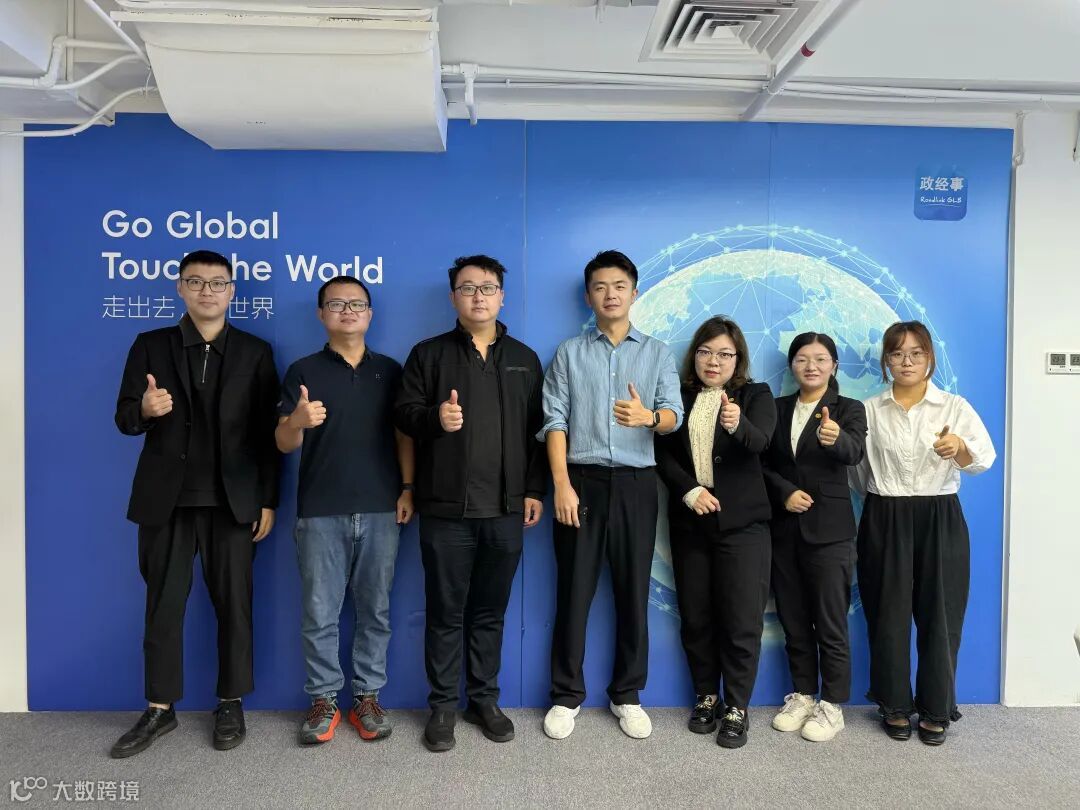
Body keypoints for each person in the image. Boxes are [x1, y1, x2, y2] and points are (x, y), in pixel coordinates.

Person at [110, 250, 280, 758]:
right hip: (166, 500)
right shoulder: (150, 345)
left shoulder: (255, 351)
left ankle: (231, 702)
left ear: (232, 291)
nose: (207, 291)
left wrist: (267, 499)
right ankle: (159, 708)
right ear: (180, 288)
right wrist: (144, 409)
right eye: (196, 282)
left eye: (217, 282)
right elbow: (123, 418)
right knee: (162, 606)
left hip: (234, 501)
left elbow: (268, 435)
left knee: (235, 605)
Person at [395, 255, 547, 753]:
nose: (478, 296)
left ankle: (483, 699)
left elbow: (540, 431)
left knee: (489, 612)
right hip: (445, 510)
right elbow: (403, 414)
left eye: (487, 288)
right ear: (453, 297)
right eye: (467, 288)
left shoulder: (524, 358)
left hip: (505, 510)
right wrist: (435, 418)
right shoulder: (429, 354)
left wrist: (533, 490)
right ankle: (442, 705)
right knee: (445, 612)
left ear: (502, 296)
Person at [540, 250, 683, 741]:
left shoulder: (657, 352)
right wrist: (561, 484)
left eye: (619, 286)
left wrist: (649, 418)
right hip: (580, 481)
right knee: (574, 591)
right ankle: (565, 695)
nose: (610, 294)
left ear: (634, 292)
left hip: (637, 485)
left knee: (632, 592)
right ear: (589, 296)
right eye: (600, 287)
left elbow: (673, 415)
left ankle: (627, 694)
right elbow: (554, 421)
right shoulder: (569, 353)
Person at [276, 277, 415, 745]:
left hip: (381, 508)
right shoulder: (303, 369)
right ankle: (323, 700)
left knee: (375, 611)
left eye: (357, 304)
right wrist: (297, 422)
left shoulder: (391, 371)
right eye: (336, 304)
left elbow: (403, 436)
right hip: (320, 510)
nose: (348, 311)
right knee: (320, 613)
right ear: (321, 314)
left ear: (370, 314)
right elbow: (283, 441)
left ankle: (367, 698)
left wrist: (408, 488)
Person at [853, 320, 995, 745]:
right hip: (885, 513)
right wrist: (884, 498)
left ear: (930, 357)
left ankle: (936, 708)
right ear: (886, 360)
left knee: (941, 615)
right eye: (897, 354)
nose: (907, 361)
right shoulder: (868, 410)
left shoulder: (953, 406)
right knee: (887, 615)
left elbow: (982, 458)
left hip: (940, 515)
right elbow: (856, 474)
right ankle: (894, 704)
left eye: (917, 353)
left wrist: (959, 448)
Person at [654, 316, 776, 749]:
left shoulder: (756, 395)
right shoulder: (678, 396)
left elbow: (761, 442)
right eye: (706, 352)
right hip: (691, 522)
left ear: (737, 359)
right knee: (697, 616)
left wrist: (736, 423)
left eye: (725, 354)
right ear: (695, 355)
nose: (714, 361)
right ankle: (707, 696)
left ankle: (737, 706)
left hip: (743, 527)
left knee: (741, 619)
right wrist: (689, 491)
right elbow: (661, 452)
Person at [762, 332, 866, 742]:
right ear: (792, 365)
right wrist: (784, 493)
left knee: (830, 621)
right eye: (803, 358)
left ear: (834, 366)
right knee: (793, 618)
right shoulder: (776, 408)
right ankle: (803, 695)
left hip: (830, 533)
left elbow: (854, 452)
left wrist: (835, 438)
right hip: (784, 529)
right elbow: (761, 464)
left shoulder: (849, 408)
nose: (811, 366)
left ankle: (832, 704)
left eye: (821, 359)